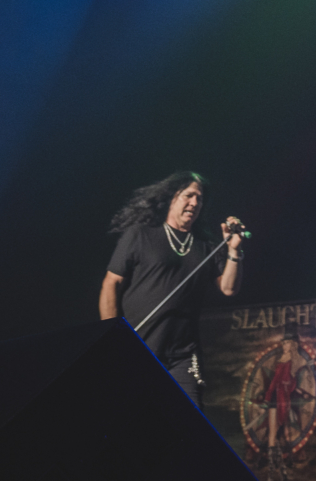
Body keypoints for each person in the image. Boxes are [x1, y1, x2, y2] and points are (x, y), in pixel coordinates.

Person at [98, 171, 246, 405]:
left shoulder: (206, 246)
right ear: (172, 197)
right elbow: (111, 283)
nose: (195, 203)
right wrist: (112, 335)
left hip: (184, 355)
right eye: (189, 195)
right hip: (141, 348)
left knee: (190, 422)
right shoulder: (141, 235)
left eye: (200, 199)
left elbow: (228, 288)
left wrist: (234, 250)